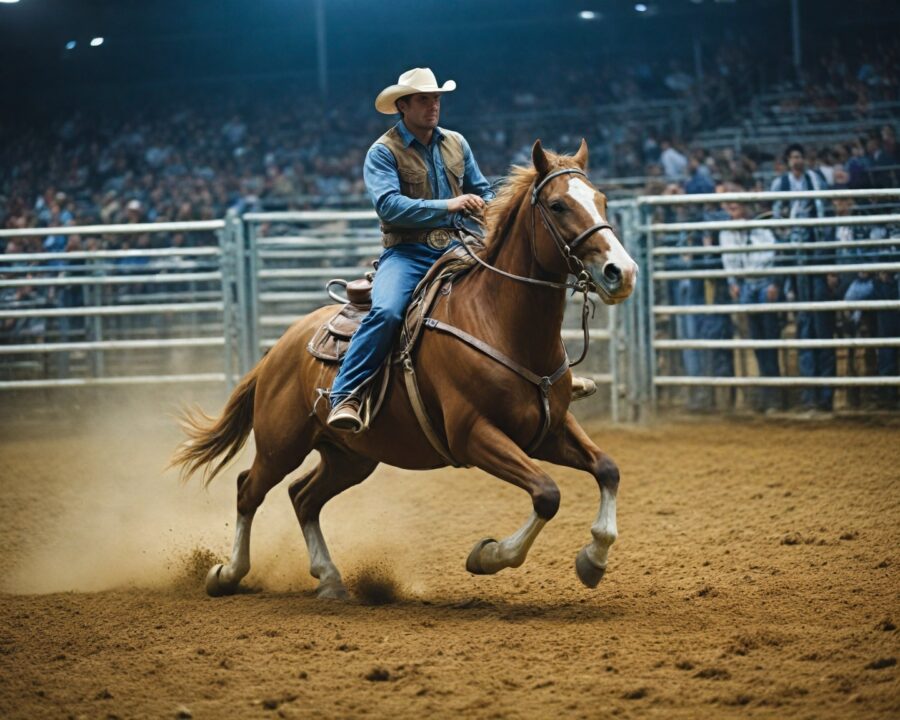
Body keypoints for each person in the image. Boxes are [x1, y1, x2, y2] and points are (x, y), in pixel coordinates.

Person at [326, 68, 496, 432]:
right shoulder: (383, 151)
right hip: (407, 253)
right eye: (423, 99)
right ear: (402, 105)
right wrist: (449, 205)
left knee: (510, 288)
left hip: (457, 246)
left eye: (436, 99)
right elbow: (389, 206)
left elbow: (482, 189)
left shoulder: (456, 143)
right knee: (387, 312)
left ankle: (543, 377)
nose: (433, 105)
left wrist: (493, 205)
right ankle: (346, 394)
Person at [770, 143, 835, 412]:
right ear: (788, 161)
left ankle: (825, 397)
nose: (797, 161)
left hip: (815, 254)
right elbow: (777, 219)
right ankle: (811, 396)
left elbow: (824, 217)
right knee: (805, 325)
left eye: (800, 156)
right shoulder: (782, 184)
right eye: (793, 157)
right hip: (794, 259)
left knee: (821, 325)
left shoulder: (814, 180)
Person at [718, 185, 781, 413]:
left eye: (736, 203)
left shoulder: (760, 227)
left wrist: (772, 281)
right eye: (730, 204)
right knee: (756, 339)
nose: (733, 207)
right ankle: (764, 394)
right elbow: (729, 260)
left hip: (762, 282)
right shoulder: (726, 232)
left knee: (769, 338)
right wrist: (733, 281)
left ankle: (773, 394)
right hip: (745, 284)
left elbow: (770, 255)